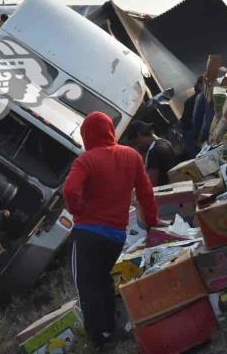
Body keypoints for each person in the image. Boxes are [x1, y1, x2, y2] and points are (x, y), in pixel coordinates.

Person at [63, 112, 158, 349]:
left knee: (87, 285)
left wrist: (79, 210)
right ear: (110, 131)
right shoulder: (131, 155)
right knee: (103, 280)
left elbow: (70, 192)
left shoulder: (86, 160)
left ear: (87, 134)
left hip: (88, 233)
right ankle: (110, 329)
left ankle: (99, 338)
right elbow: (146, 192)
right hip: (116, 235)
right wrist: (153, 221)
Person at [125, 121, 176, 186]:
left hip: (164, 188)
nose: (138, 146)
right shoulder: (165, 142)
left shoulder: (154, 151)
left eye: (136, 143)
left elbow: (152, 182)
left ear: (139, 134)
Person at [181, 76, 204, 158]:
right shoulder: (198, 100)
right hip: (192, 133)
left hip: (192, 132)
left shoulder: (191, 100)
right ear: (200, 85)